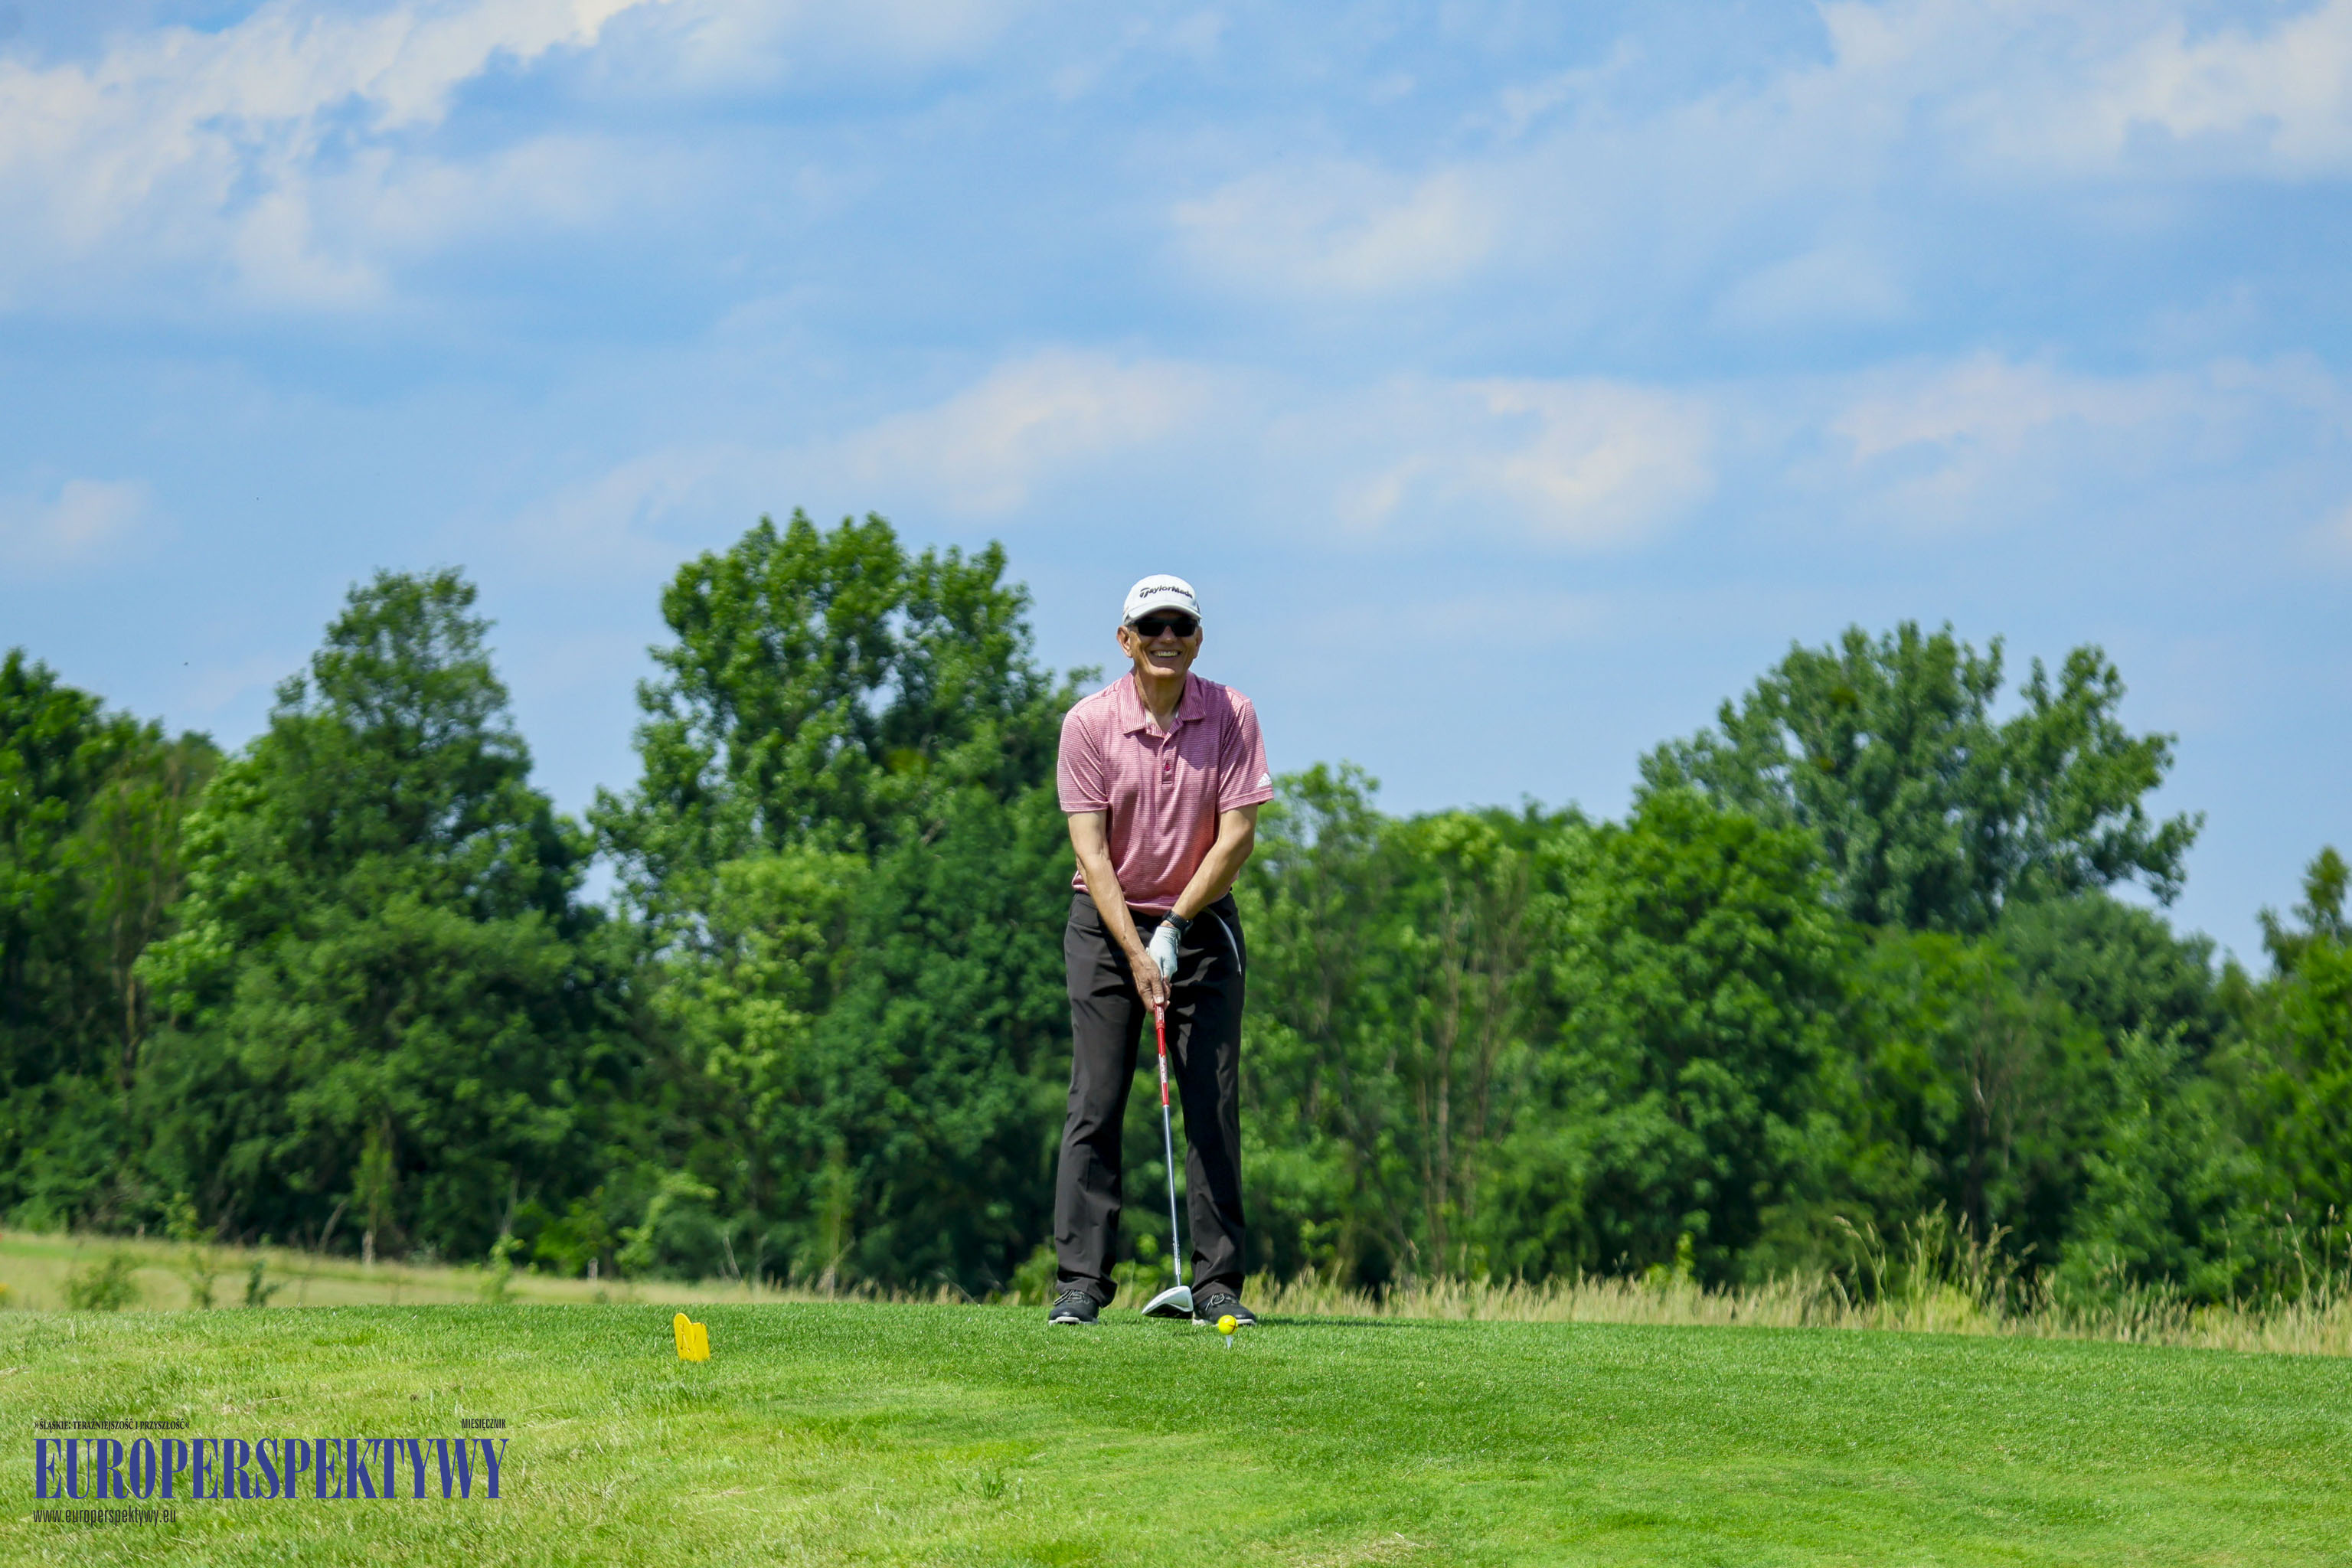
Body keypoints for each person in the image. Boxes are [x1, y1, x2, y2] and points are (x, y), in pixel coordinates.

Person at [1047, 574, 1272, 1327]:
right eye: (1152, 627)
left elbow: (1237, 834)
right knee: (1097, 1097)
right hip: (1106, 924)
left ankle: (1217, 1286)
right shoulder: (1089, 724)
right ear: (1127, 640)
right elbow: (1092, 852)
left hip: (1201, 920)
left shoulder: (1232, 715)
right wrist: (1138, 950)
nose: (1166, 637)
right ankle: (1080, 1282)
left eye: (1180, 624)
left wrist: (1174, 926)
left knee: (1211, 1100)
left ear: (1198, 636)